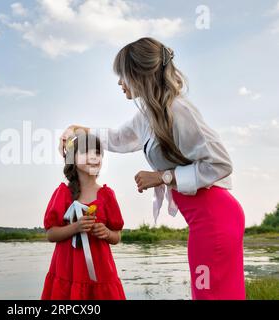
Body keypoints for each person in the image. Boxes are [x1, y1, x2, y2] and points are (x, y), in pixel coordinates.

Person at [59, 37, 245, 300]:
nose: (119, 82)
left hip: (215, 218)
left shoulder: (178, 111)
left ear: (138, 74)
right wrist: (77, 129)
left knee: (210, 295)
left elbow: (221, 164)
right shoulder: (149, 113)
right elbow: (119, 137)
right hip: (205, 219)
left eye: (122, 75)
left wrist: (162, 177)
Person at [41, 133, 126, 300]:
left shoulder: (107, 195)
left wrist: (107, 233)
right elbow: (51, 235)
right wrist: (76, 227)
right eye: (86, 152)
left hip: (100, 272)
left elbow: (117, 236)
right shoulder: (63, 193)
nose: (94, 156)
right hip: (68, 271)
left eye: (98, 152)